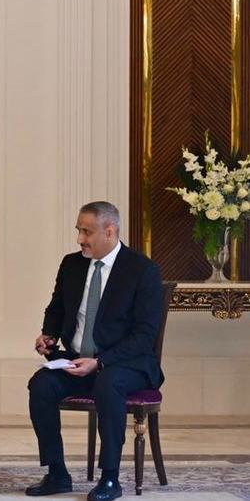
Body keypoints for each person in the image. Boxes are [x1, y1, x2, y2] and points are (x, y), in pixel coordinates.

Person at [25, 201, 164, 501]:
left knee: (108, 381)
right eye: (78, 230)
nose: (79, 239)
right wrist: (48, 335)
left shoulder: (142, 270)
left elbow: (145, 336)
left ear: (109, 231)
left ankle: (110, 479)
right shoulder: (71, 265)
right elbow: (57, 308)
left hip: (127, 364)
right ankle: (57, 473)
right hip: (76, 360)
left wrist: (100, 362)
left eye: (86, 232)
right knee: (41, 385)